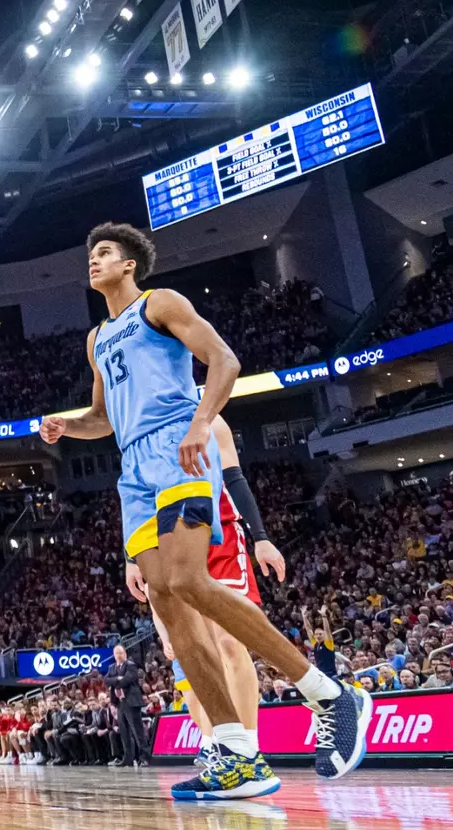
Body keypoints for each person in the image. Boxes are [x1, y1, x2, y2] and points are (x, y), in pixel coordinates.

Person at [41, 222, 371, 800]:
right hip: (133, 467)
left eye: (105, 252)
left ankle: (330, 694)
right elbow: (104, 418)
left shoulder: (160, 304)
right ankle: (237, 753)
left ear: (130, 264)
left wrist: (200, 423)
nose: (93, 260)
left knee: (190, 580)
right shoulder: (96, 339)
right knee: (168, 605)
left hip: (178, 444)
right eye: (90, 253)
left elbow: (224, 361)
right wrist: (67, 426)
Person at [160, 416, 287, 769]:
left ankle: (249, 749)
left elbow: (234, 479)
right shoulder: (149, 426)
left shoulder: (212, 421)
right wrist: (133, 557)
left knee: (230, 642)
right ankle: (220, 745)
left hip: (224, 536)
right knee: (205, 652)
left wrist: (261, 537)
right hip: (179, 541)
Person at [104, 645, 149, 767]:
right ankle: (128, 758)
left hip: (131, 702)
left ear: (125, 654)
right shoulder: (112, 667)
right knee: (124, 733)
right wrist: (117, 678)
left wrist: (115, 681)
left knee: (137, 731)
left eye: (121, 653)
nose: (119, 655)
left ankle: (144, 757)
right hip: (120, 703)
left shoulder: (130, 665)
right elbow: (106, 680)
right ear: (114, 655)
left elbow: (127, 680)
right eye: (117, 653)